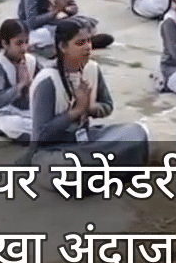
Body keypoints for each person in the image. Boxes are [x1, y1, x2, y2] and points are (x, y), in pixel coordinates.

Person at [25, 20, 150, 191]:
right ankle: (115, 169)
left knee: (138, 131)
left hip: (85, 141)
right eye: (80, 43)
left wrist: (91, 109)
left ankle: (103, 172)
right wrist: (76, 111)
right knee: (69, 170)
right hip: (53, 153)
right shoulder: (48, 80)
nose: (87, 47)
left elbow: (107, 105)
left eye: (89, 41)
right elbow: (41, 135)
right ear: (62, 46)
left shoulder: (92, 69)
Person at [0, 19, 38, 144]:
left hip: (29, 110)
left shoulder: (31, 60)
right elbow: (0, 102)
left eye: (26, 42)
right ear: (5, 43)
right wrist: (21, 84)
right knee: (12, 125)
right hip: (6, 114)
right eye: (18, 43)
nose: (24, 48)